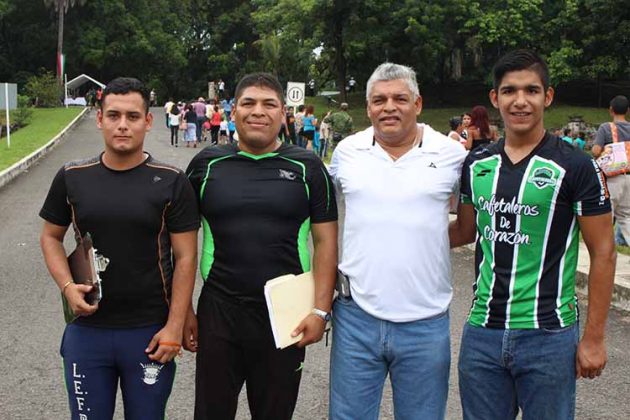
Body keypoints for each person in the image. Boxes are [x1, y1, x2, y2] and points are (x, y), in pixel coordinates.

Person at [449, 49, 615, 420]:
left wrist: (594, 338)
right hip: (482, 333)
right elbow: (461, 230)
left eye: (531, 90)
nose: (520, 101)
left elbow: (604, 251)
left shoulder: (577, 166)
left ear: (548, 96)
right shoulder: (476, 164)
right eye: (509, 91)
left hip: (549, 336)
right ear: (495, 98)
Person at [39, 77, 199, 419]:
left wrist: (175, 325)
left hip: (149, 333)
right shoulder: (72, 176)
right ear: (99, 119)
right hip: (88, 331)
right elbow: (50, 237)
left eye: (132, 116)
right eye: (113, 115)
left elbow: (186, 258)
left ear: (148, 121)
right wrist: (67, 288)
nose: (122, 125)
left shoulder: (171, 181)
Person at [185, 72, 338, 420]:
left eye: (269, 104)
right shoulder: (205, 165)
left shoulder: (308, 167)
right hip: (219, 311)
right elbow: (181, 246)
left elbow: (326, 242)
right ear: (232, 111)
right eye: (248, 103)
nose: (258, 112)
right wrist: (183, 313)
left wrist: (319, 311)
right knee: (210, 413)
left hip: (285, 316)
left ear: (284, 113)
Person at [329, 62, 467, 419]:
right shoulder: (347, 152)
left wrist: (422, 241)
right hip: (356, 316)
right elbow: (320, 219)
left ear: (418, 104)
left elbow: (467, 227)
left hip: (426, 319)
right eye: (379, 100)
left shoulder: (452, 155)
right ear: (368, 107)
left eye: (399, 98)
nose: (389, 107)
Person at [592, 95, 630, 246]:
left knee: (608, 214)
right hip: (629, 177)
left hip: (613, 178)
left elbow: (595, 151)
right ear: (627, 110)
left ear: (611, 110)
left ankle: (606, 249)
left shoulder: (606, 128)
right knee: (626, 216)